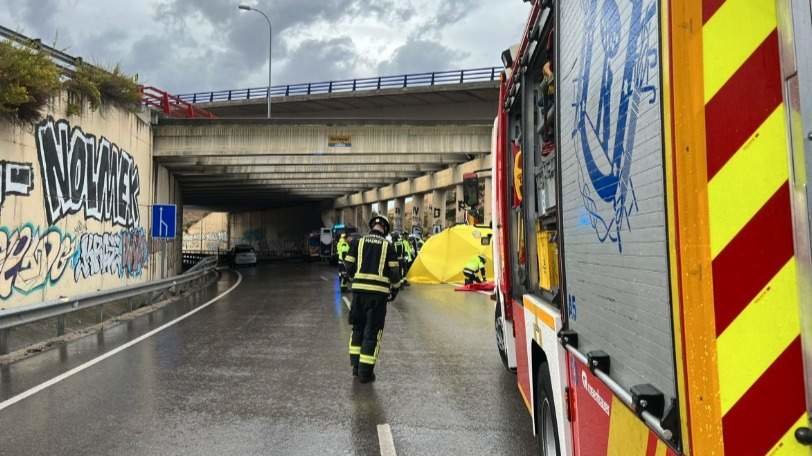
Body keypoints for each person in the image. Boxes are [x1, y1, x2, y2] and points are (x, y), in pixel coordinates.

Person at [343, 215, 401, 383]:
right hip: (378, 296)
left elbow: (347, 265)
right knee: (372, 333)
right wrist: (395, 289)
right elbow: (395, 273)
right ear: (385, 229)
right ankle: (365, 373)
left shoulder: (357, 242)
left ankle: (355, 368)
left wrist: (356, 279)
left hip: (359, 295)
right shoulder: (387, 246)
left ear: (372, 226)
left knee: (358, 329)